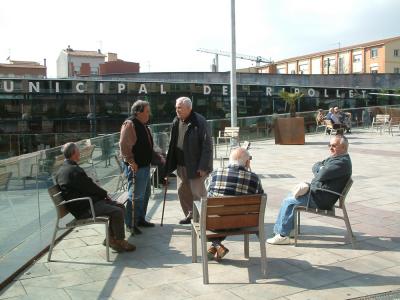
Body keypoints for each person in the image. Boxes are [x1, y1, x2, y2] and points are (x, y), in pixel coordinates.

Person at [267, 134, 352, 245]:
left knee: (289, 202)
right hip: (319, 194)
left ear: (344, 148)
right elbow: (316, 165)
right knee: (290, 195)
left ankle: (282, 235)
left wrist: (321, 170)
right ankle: (288, 230)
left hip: (321, 199)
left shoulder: (341, 162)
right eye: (329, 145)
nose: (330, 148)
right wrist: (321, 168)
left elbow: (321, 175)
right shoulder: (336, 157)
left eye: (334, 146)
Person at [55, 142, 136, 252]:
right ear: (74, 153)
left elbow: (86, 187)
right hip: (85, 208)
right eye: (78, 151)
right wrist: (104, 194)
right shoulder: (74, 170)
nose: (80, 153)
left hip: (83, 204)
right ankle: (120, 240)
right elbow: (90, 187)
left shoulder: (62, 170)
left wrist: (103, 196)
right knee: (117, 211)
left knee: (120, 206)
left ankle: (111, 239)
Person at [206, 147, 264, 260]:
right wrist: (249, 171)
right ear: (247, 162)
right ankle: (217, 245)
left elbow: (207, 192)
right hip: (241, 222)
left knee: (203, 213)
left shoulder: (215, 173)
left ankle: (216, 244)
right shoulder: (254, 178)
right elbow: (260, 195)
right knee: (230, 217)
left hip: (215, 223)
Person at [165, 96, 213, 224]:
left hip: (196, 166)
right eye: (176, 108)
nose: (177, 110)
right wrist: (168, 165)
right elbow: (172, 143)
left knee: (198, 193)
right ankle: (191, 215)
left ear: (188, 108)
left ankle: (204, 218)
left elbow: (207, 145)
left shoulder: (200, 121)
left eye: (180, 108)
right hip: (181, 165)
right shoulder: (176, 121)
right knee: (182, 191)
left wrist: (203, 167)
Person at [119, 100, 156, 234]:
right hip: (136, 167)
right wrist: (131, 161)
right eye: (147, 111)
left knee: (145, 194)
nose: (149, 114)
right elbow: (124, 145)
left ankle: (140, 219)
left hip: (144, 166)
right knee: (135, 196)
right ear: (138, 112)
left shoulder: (142, 124)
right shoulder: (130, 124)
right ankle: (130, 224)